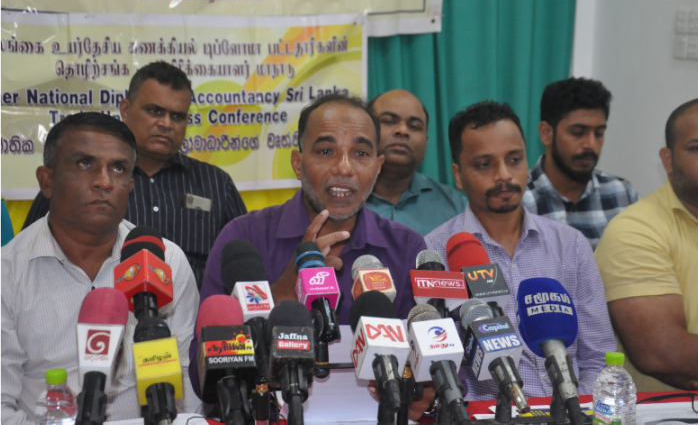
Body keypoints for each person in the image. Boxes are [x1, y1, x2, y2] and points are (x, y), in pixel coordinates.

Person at [192, 93, 430, 420]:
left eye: (360, 153)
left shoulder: (406, 248)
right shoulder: (243, 238)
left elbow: (432, 360)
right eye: (326, 151)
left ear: (377, 168)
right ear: (297, 163)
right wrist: (287, 288)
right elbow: (203, 379)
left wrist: (423, 386)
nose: (344, 167)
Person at [0, 112, 201, 423]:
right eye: (85, 164)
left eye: (118, 168)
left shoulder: (166, 262)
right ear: (46, 181)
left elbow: (186, 388)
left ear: (130, 185)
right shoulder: (7, 272)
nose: (104, 182)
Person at [425, 100, 616, 401]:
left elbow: (598, 359)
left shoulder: (571, 245)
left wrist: (577, 410)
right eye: (484, 164)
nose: (503, 175)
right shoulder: (434, 254)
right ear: (458, 175)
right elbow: (439, 367)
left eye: (514, 159)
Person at [22, 61, 247, 287]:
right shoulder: (78, 181)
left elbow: (244, 264)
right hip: (95, 305)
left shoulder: (216, 184)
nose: (166, 124)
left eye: (177, 116)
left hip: (189, 308)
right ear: (125, 109)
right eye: (155, 111)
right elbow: (29, 253)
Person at [596, 99, 698, 392]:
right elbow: (662, 352)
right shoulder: (635, 230)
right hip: (667, 410)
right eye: (696, 148)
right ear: (668, 160)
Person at [522, 78, 637, 249]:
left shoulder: (622, 194)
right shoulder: (517, 198)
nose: (591, 144)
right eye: (577, 132)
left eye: (599, 134)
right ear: (546, 133)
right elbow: (490, 264)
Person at [365, 89, 467, 236]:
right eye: (388, 121)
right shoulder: (341, 199)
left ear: (426, 143)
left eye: (414, 126)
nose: (402, 130)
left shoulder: (455, 206)